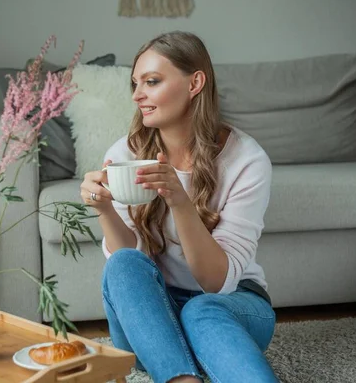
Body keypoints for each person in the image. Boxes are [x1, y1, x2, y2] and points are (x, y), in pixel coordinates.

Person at [79, 31, 278, 383]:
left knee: (201, 310)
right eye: (135, 84)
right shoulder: (124, 154)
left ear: (195, 83)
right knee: (123, 263)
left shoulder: (247, 160)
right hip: (153, 315)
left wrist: (179, 201)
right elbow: (130, 264)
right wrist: (105, 209)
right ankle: (180, 373)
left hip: (230, 306)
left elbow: (217, 283)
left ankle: (176, 365)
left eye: (152, 82)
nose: (138, 95)